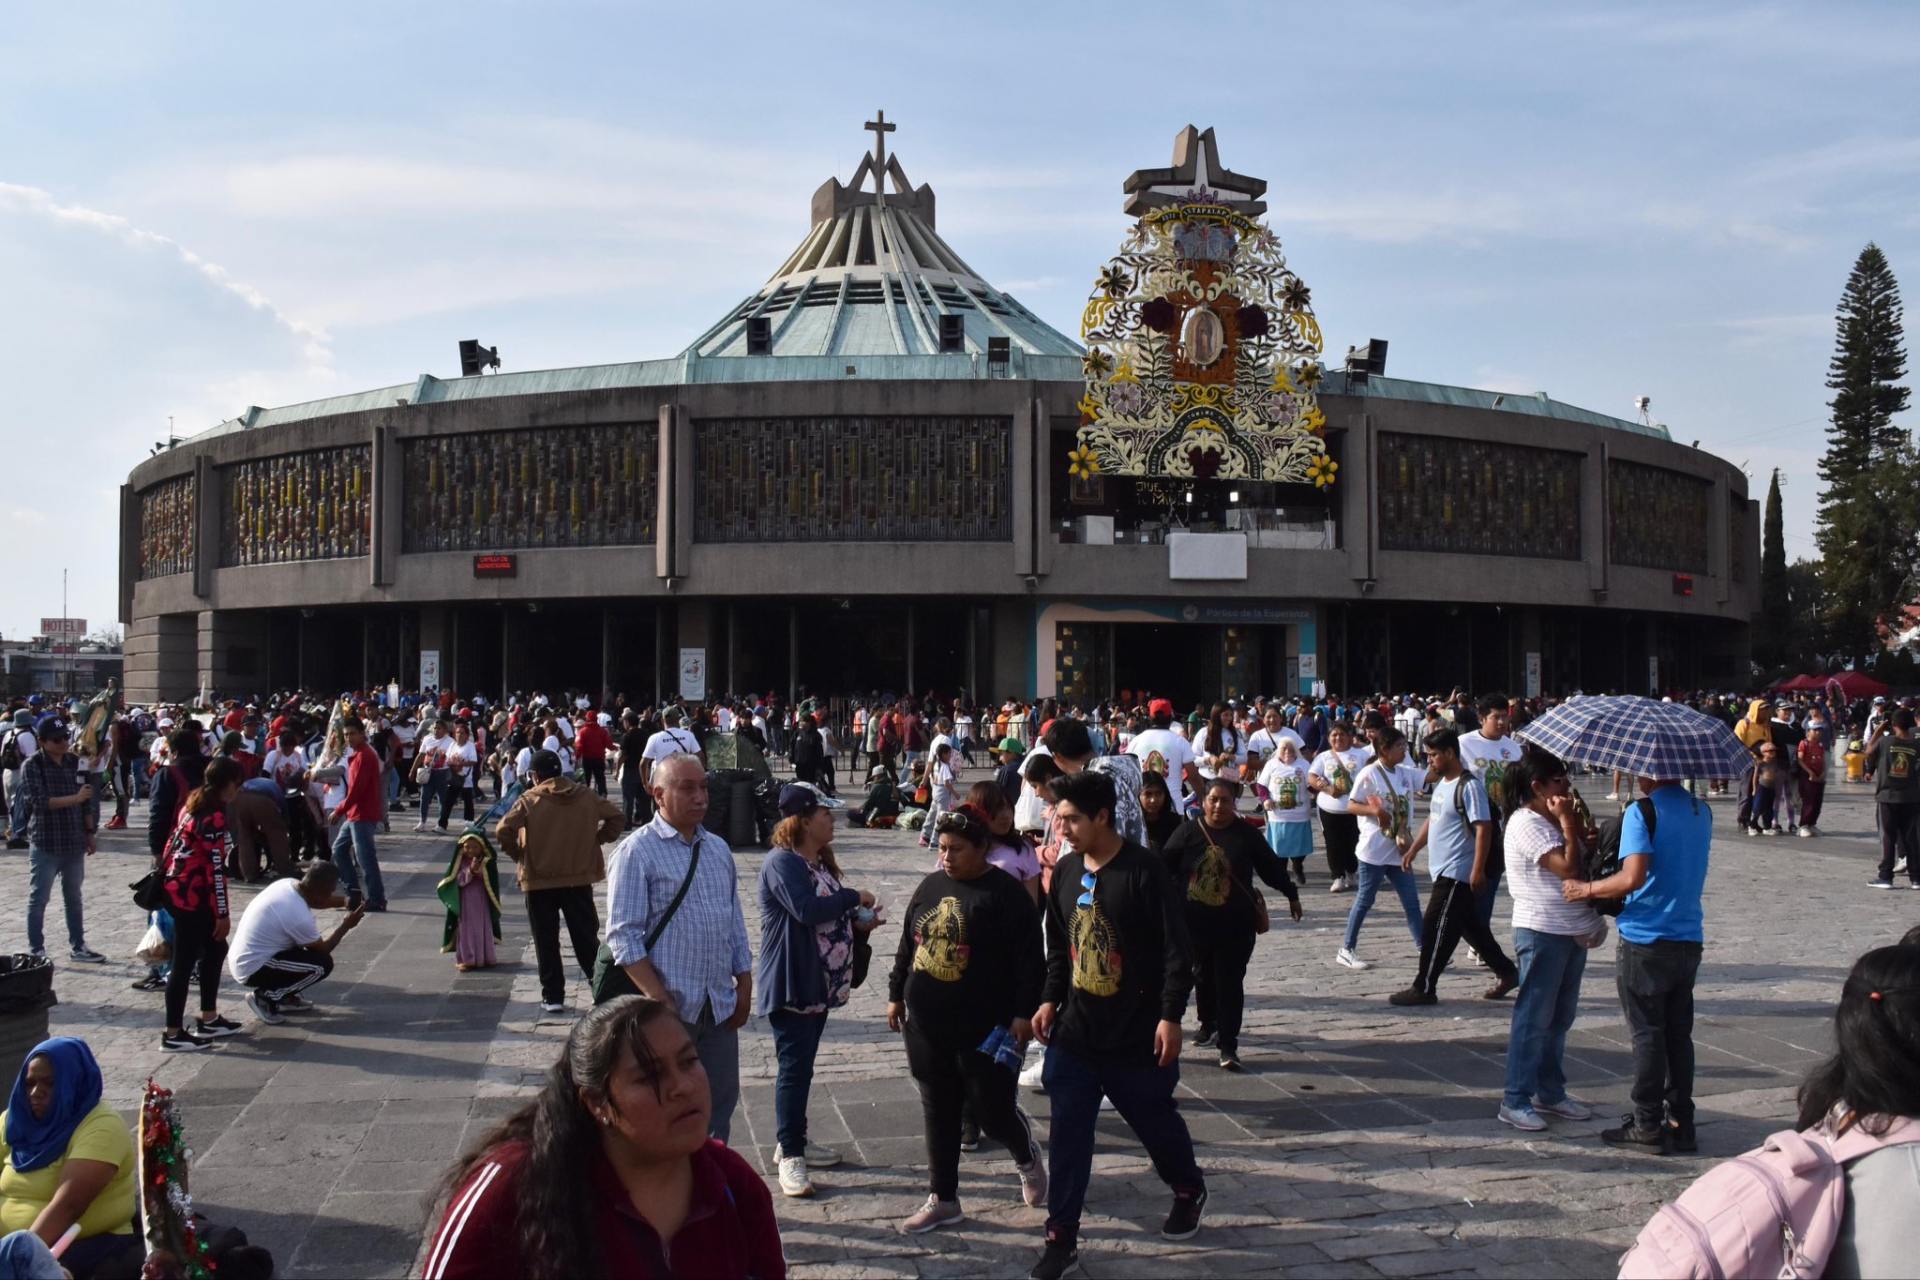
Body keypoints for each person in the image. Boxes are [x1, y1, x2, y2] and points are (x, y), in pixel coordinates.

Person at [421, 996, 785, 1280]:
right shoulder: (513, 1184)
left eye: (689, 1061)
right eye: (650, 1077)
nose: (683, 1087)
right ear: (597, 1103)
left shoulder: (734, 1185)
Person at [1029, 768, 1204, 1280]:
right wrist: (1047, 1000)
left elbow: (1178, 952)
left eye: (1071, 819)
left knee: (1153, 1120)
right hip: (1077, 1033)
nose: (1061, 830)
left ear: (1103, 817)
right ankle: (1061, 1237)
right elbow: (1060, 949)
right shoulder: (1063, 873)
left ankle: (1188, 1187)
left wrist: (1171, 1015)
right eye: (1059, 819)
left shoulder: (1145, 871)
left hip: (1137, 1029)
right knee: (1068, 1134)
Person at [884, 805, 1048, 1234]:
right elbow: (909, 941)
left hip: (988, 1027)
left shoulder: (1006, 896)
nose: (947, 857)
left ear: (983, 849)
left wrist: (1022, 1013)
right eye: (942, 848)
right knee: (938, 1107)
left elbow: (1031, 961)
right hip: (926, 1023)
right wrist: (895, 993)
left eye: (956, 848)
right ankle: (944, 1197)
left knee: (991, 1110)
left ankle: (1025, 1153)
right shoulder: (930, 886)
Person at [600, 754, 752, 1144]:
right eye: (687, 788)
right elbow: (623, 935)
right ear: (658, 795)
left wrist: (745, 982)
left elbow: (732, 919)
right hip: (666, 1010)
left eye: (703, 786)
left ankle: (714, 1185)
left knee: (719, 1101)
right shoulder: (637, 852)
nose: (700, 796)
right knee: (668, 1108)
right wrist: (658, 997)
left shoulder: (717, 848)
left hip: (716, 1004)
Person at [1564, 769, 1711, 1153]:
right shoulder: (1702, 811)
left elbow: (1632, 877)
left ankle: (1647, 1122)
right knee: (1678, 1035)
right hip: (1688, 935)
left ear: (1648, 770)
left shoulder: (1642, 813)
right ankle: (1682, 1122)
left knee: (1647, 1033)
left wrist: (1587, 888)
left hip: (1646, 936)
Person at [755, 785, 879, 1199]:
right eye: (826, 813)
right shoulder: (782, 863)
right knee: (794, 1067)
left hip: (821, 982)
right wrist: (852, 897)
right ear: (805, 820)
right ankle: (790, 1152)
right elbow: (806, 910)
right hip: (795, 980)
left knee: (804, 1065)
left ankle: (794, 1138)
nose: (833, 820)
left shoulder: (818, 862)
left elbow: (829, 915)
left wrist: (859, 922)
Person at [1494, 747, 1602, 1131]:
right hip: (1542, 928)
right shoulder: (1527, 823)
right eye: (1559, 779)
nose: (1568, 785)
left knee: (1559, 1017)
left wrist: (1581, 835)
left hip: (1570, 927)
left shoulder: (1551, 819)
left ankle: (1550, 1091)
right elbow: (1566, 868)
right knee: (1533, 1017)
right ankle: (1515, 1097)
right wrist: (1570, 826)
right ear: (1537, 786)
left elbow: (1579, 861)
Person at [1161, 778, 1301, 1071]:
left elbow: (1270, 867)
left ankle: (1228, 1044)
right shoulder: (1188, 832)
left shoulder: (1246, 835)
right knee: (1201, 975)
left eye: (1225, 800)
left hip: (1236, 925)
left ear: (1233, 804)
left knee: (1229, 982)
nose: (1219, 806)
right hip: (1194, 924)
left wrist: (1291, 894)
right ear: (1203, 802)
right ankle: (1207, 1023)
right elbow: (1164, 868)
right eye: (1213, 800)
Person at [1389, 727, 1519, 1006]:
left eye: (1434, 755)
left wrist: (1477, 869)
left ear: (1450, 753)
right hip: (1441, 868)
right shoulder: (1443, 784)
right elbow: (1433, 820)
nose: (1430, 761)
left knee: (1434, 926)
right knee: (1471, 928)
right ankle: (1507, 972)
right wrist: (1414, 848)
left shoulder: (1469, 786)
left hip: (1457, 871)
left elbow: (1483, 828)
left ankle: (1424, 986)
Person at [0, 1039, 140, 1279]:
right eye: (29, 1083)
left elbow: (68, 1205)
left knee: (23, 1248)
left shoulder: (101, 1126)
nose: (35, 1092)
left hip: (78, 1244)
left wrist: (20, 1258)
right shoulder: (14, 1121)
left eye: (49, 1083)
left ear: (73, 1082)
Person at [499, 749, 623, 1013]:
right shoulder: (586, 796)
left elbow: (503, 829)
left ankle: (553, 996)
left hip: (539, 880)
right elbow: (617, 817)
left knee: (545, 940)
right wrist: (597, 840)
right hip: (578, 878)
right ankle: (600, 987)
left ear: (535, 775)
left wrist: (519, 854)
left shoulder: (529, 799)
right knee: (586, 938)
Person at [158, 757, 245, 1052]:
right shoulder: (214, 816)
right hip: (194, 896)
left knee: (215, 949)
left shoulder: (192, 803)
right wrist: (222, 913)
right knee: (183, 963)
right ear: (229, 784)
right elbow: (216, 869)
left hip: (178, 889)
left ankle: (208, 1016)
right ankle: (172, 1032)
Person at [227, 859, 363, 1025]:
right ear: (319, 889)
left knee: (306, 956)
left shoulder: (288, 884)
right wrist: (346, 925)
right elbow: (323, 949)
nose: (333, 892)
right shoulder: (297, 914)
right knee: (321, 966)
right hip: (252, 967)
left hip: (249, 957)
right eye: (330, 890)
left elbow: (315, 900)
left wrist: (345, 901)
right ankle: (265, 997)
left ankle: (285, 996)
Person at [1336, 727, 1426, 971]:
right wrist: (1374, 811)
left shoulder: (1406, 773)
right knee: (1365, 900)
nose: (1403, 751)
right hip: (1374, 849)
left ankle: (1424, 948)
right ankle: (1347, 948)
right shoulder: (1370, 773)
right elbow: (1352, 805)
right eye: (1399, 747)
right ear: (1384, 749)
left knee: (1411, 902)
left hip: (1399, 848)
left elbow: (1430, 777)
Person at [16, 723, 104, 966]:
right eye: (57, 739)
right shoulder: (32, 765)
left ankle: (78, 945)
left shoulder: (76, 762)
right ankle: (36, 950)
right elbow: (39, 802)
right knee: (39, 898)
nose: (64, 742)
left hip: (74, 841)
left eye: (65, 737)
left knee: (73, 897)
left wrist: (89, 832)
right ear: (42, 741)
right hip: (46, 841)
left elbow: (87, 801)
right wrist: (75, 799)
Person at [1457, 695, 1522, 935]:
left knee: (1490, 878)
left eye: (1505, 716)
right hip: (1470, 824)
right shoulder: (1464, 744)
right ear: (1482, 718)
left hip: (1502, 825)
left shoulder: (1513, 748)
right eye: (1497, 717)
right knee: (1468, 880)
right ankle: (1474, 931)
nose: (1502, 721)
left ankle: (1479, 935)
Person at [329, 719, 388, 912]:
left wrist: (339, 810)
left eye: (352, 733)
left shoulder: (365, 755)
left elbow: (356, 791)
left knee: (365, 859)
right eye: (346, 735)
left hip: (362, 813)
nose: (349, 738)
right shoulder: (358, 754)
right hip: (356, 813)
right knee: (339, 850)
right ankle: (354, 892)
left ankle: (377, 899)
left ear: (362, 733)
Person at [1308, 722, 1368, 893]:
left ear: (1349, 737)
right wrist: (1325, 787)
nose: (1338, 738)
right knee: (1333, 843)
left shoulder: (1360, 754)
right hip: (1329, 808)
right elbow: (1311, 777)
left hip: (1355, 807)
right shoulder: (1323, 756)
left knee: (1354, 841)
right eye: (1334, 735)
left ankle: (1352, 872)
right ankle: (1337, 876)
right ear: (1328, 738)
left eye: (1342, 734)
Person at [1865, 709, 1920, 889]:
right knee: (1911, 837)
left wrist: (1879, 729)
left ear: (1893, 724)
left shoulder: (1886, 741)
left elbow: (1868, 751)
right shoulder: (1916, 745)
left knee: (1889, 836)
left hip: (1888, 796)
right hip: (1910, 796)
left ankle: (1886, 876)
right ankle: (1916, 878)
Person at [1125, 699, 1200, 817]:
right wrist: (1205, 798)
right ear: (1171, 717)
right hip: (1173, 809)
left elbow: (1126, 776)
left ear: (1150, 717)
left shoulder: (1136, 741)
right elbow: (1194, 777)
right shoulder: (1180, 742)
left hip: (1143, 809)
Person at [441, 832, 502, 971]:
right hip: (466, 902)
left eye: (475, 847)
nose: (470, 850)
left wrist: (479, 871)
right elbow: (457, 880)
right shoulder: (459, 861)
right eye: (467, 847)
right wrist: (470, 871)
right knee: (466, 930)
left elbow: (491, 881)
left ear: (481, 847)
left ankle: (485, 957)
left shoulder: (486, 861)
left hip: (481, 901)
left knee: (483, 928)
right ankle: (468, 959)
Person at [1256, 737, 1312, 883]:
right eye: (1284, 749)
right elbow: (1261, 786)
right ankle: (1283, 874)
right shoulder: (1271, 765)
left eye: (1291, 749)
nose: (1288, 752)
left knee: (1299, 846)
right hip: (1278, 815)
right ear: (1278, 751)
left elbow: (1311, 784)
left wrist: (1320, 790)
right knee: (1279, 847)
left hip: (1300, 814)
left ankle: (1297, 865)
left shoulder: (1304, 765)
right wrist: (1266, 799)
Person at [1138, 770, 1183, 854]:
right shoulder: (1133, 825)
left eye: (1158, 793)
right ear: (1138, 795)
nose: (1153, 800)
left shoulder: (1176, 823)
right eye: (1148, 794)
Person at [575, 711, 612, 798]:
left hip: (587, 758)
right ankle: (602, 794)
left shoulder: (583, 731)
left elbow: (580, 746)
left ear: (587, 719)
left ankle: (585, 796)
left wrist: (576, 757)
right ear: (596, 719)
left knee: (586, 779)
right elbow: (608, 744)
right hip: (599, 758)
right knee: (600, 778)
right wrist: (615, 748)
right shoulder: (602, 731)